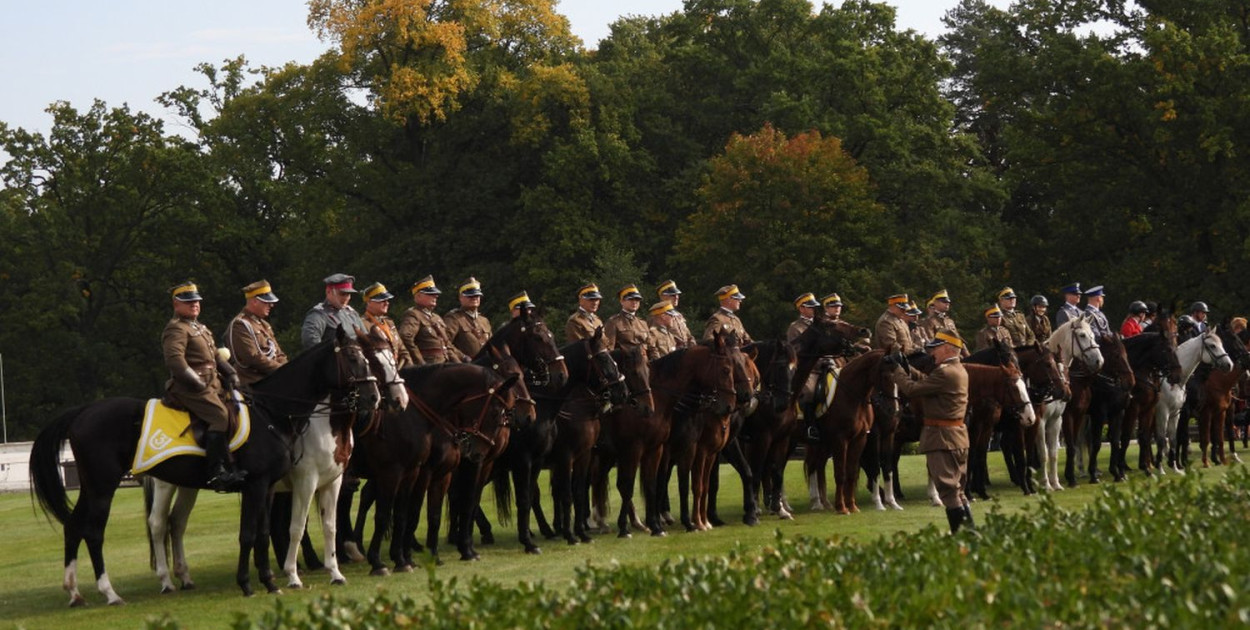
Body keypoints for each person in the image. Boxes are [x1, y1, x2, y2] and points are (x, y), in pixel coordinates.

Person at [887, 331, 973, 533]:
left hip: (941, 437)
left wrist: (896, 370)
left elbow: (912, 390)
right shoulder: (957, 369)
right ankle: (970, 532)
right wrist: (909, 368)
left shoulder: (945, 372)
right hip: (957, 436)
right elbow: (928, 381)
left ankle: (962, 535)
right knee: (957, 490)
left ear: (947, 348)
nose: (932, 352)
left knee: (948, 489)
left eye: (935, 348)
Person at [163, 282, 244, 491]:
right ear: (176, 304)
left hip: (213, 383)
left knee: (238, 410)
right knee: (220, 416)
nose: (194, 305)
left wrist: (231, 373)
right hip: (188, 387)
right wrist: (196, 382)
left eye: (196, 301)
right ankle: (216, 473)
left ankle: (232, 463)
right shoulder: (176, 328)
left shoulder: (200, 328)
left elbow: (216, 356)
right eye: (188, 302)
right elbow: (175, 361)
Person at [226, 280, 288, 388]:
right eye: (266, 302)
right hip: (255, 383)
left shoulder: (264, 324)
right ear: (254, 301)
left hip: (272, 378)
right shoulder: (240, 325)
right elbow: (253, 358)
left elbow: (279, 353)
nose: (271, 305)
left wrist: (288, 369)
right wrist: (281, 370)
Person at [399, 276, 466, 364]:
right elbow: (405, 337)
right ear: (418, 296)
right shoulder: (413, 314)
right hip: (430, 365)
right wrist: (420, 362)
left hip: (445, 362)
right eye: (430, 294)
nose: (436, 296)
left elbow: (446, 344)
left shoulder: (436, 317)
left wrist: (463, 358)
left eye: (435, 294)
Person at [302, 273, 366, 350]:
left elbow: (366, 339)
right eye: (342, 294)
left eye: (348, 294)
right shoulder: (318, 314)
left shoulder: (352, 313)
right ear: (329, 292)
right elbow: (311, 343)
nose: (346, 298)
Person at [361, 282, 412, 367]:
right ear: (369, 302)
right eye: (382, 300)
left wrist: (409, 366)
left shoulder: (389, 322)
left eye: (387, 300)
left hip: (397, 370)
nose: (387, 303)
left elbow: (402, 349)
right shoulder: (363, 324)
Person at [444, 277, 492, 359]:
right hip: (465, 368)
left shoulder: (484, 320)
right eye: (470, 296)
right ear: (460, 298)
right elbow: (445, 343)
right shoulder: (453, 318)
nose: (474, 298)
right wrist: (462, 357)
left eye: (477, 295)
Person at [603, 284, 650, 353]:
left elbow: (650, 347)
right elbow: (609, 348)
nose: (634, 302)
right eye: (630, 299)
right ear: (622, 301)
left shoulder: (643, 323)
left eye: (637, 299)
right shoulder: (613, 322)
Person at [656, 280, 696, 349]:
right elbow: (658, 342)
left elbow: (689, 336)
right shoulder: (657, 316)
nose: (676, 297)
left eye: (677, 294)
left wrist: (693, 344)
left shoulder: (679, 315)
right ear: (662, 296)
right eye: (673, 295)